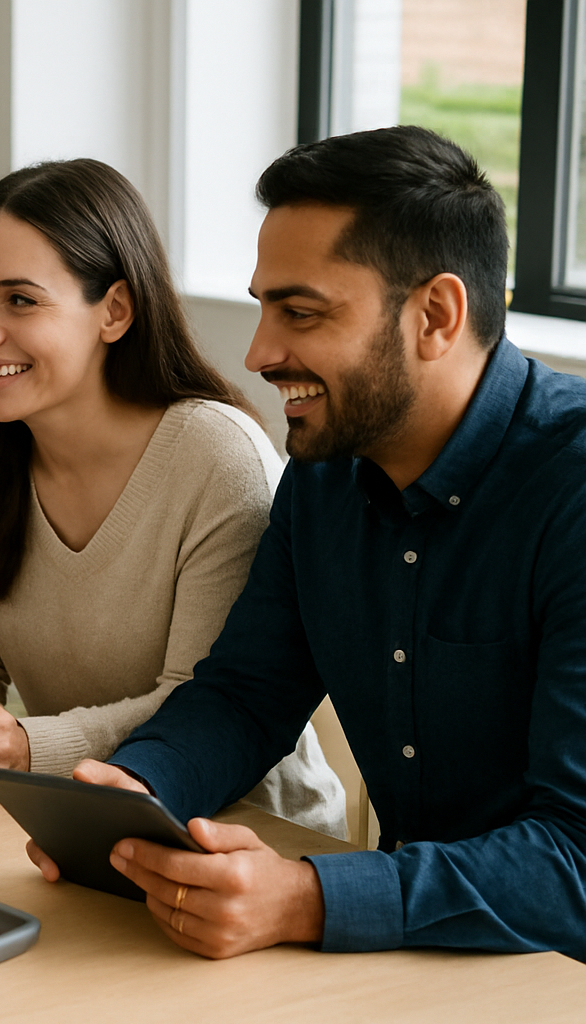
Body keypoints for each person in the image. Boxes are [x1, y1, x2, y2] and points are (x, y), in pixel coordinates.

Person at [31, 125, 586, 962]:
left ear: (435, 315)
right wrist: (139, 790)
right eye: (262, 307)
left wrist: (308, 897)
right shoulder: (325, 478)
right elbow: (248, 694)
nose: (257, 353)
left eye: (300, 312)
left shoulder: (571, 492)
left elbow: (575, 859)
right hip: (414, 958)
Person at [0, 159, 345, 838]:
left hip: (250, 831)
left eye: (19, 300)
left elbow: (205, 701)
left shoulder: (218, 457)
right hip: (80, 817)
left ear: (113, 311)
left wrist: (28, 746)